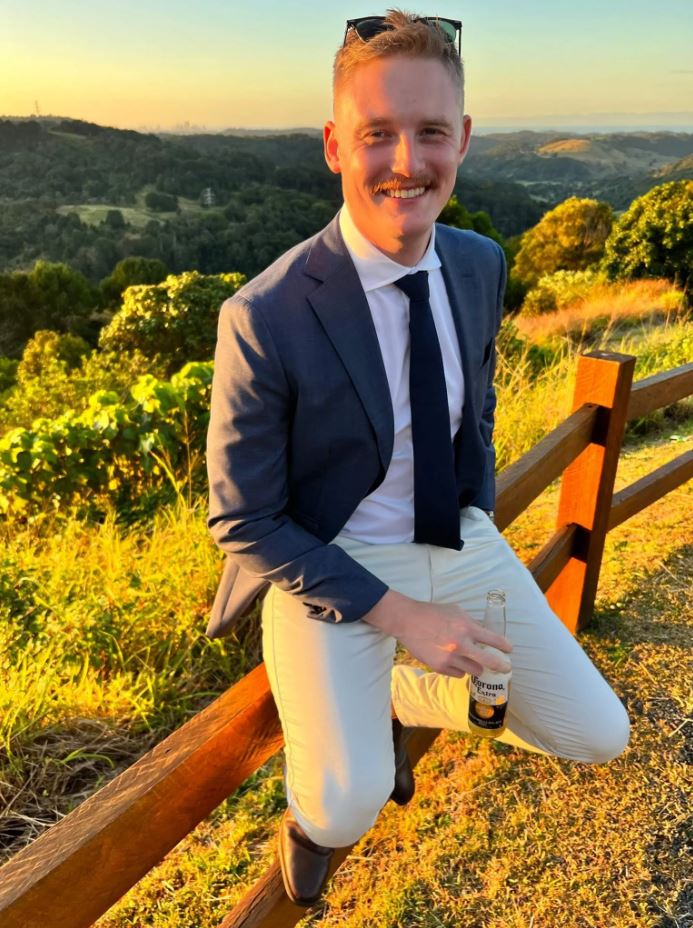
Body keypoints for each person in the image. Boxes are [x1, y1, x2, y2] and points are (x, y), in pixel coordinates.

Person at [206, 10, 630, 908]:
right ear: (334, 145)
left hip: (452, 539)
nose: (406, 161)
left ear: (462, 138)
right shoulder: (264, 315)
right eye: (377, 134)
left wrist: (475, 520)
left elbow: (474, 404)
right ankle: (318, 813)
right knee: (346, 805)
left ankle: (398, 698)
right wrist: (403, 617)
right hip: (328, 561)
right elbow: (242, 520)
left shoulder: (479, 263)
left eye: (430, 131)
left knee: (599, 734)